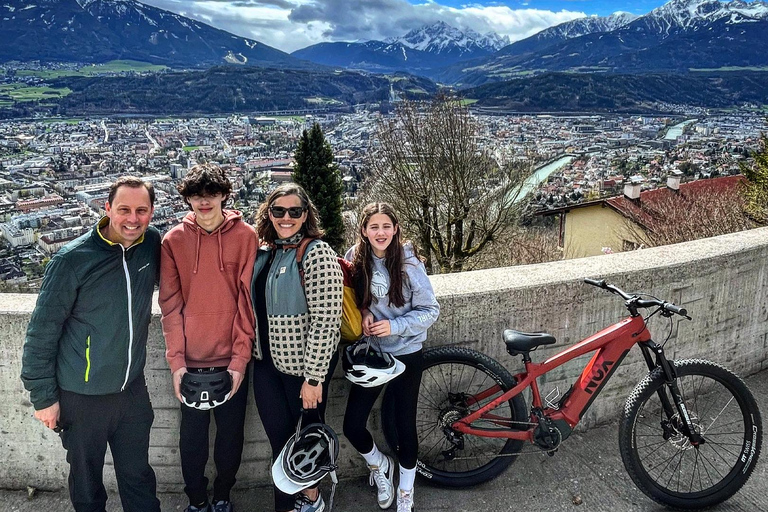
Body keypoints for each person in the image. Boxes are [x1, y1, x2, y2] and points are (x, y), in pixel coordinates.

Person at [20, 176, 162, 512]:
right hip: (81, 395)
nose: (132, 219)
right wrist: (43, 398)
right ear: (107, 208)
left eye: (141, 210)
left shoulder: (151, 242)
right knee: (86, 484)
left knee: (139, 477)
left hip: (131, 391)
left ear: (152, 212)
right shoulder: (72, 260)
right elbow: (41, 333)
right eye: (124, 209)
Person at [159, 164, 258, 512]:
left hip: (231, 356)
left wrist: (239, 360)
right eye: (196, 195)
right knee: (191, 441)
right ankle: (197, 500)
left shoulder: (246, 237)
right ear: (187, 198)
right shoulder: (173, 241)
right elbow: (170, 306)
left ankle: (223, 497)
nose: (204, 201)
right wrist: (176, 364)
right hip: (191, 361)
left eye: (211, 194)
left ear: (224, 195)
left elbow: (247, 304)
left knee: (231, 439)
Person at [250, 183, 343, 512]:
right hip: (264, 365)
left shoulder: (316, 252)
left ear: (306, 215)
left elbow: (327, 320)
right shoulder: (267, 252)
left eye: (295, 211)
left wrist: (314, 378)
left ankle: (313, 499)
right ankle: (286, 506)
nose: (286, 217)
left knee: (306, 444)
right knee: (280, 443)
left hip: (303, 371)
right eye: (279, 211)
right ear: (269, 213)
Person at [343, 203, 440, 512]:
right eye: (374, 227)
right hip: (372, 354)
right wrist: (365, 311)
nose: (380, 232)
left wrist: (395, 325)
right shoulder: (354, 258)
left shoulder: (409, 263)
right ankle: (379, 464)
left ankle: (406, 490)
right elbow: (351, 298)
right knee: (352, 424)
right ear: (363, 230)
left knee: (404, 426)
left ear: (396, 228)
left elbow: (430, 310)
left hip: (407, 353)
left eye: (386, 226)